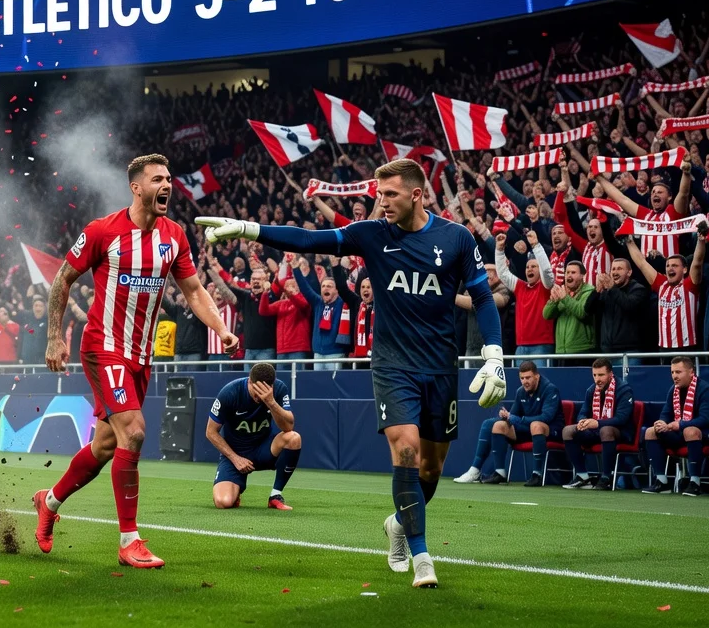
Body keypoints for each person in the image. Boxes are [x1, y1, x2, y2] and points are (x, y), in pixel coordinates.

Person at [198, 158, 507, 589]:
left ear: (417, 195)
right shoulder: (373, 234)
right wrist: (250, 228)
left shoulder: (455, 238)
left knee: (432, 471)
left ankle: (400, 525)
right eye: (379, 194)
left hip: (440, 367)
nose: (381, 202)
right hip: (392, 365)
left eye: (390, 194)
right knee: (406, 451)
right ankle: (421, 557)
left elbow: (483, 297)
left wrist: (494, 354)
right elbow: (309, 240)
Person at [34, 154, 238, 570]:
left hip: (141, 357)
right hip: (103, 346)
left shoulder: (174, 235)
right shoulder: (102, 231)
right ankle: (129, 540)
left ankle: (49, 501)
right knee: (136, 432)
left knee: (107, 444)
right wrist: (55, 337)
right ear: (137, 187)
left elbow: (195, 290)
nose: (167, 185)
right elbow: (62, 280)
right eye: (158, 179)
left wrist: (220, 328)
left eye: (169, 179)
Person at [206, 362, 301, 510]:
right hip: (236, 453)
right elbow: (210, 432)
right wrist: (235, 459)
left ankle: (275, 496)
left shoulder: (279, 389)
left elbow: (288, 427)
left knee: (294, 438)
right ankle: (235, 491)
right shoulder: (230, 392)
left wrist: (271, 402)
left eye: (265, 391)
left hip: (264, 449)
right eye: (256, 390)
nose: (259, 396)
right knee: (223, 502)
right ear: (249, 381)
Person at [455, 361, 562, 487]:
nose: (524, 381)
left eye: (528, 378)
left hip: (551, 430)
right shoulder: (520, 391)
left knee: (536, 425)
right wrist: (506, 416)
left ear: (537, 376)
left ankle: (537, 475)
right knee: (495, 425)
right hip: (528, 429)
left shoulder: (550, 389)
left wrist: (516, 418)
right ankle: (492, 472)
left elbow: (546, 417)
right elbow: (513, 416)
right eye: (522, 378)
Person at [624, 223, 708, 353]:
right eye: (668, 265)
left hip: (687, 348)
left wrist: (701, 240)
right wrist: (629, 240)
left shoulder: (690, 285)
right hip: (663, 348)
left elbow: (697, 263)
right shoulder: (661, 284)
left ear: (685, 269)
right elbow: (641, 263)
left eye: (675, 265)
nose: (670, 268)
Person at [643, 356, 709, 496]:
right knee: (650, 431)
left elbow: (704, 419)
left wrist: (679, 425)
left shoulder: (705, 390)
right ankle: (662, 481)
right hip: (678, 432)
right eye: (672, 372)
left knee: (690, 431)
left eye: (678, 372)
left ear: (691, 372)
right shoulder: (673, 389)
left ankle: (695, 482)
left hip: (706, 434)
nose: (674, 376)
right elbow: (666, 412)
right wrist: (661, 424)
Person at [561, 359, 635, 490]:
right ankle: (583, 476)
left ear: (610, 374)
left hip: (621, 432)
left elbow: (621, 419)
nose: (597, 379)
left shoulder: (624, 390)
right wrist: (582, 421)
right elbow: (583, 412)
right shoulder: (591, 390)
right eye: (594, 375)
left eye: (601, 375)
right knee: (567, 430)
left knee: (605, 430)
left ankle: (606, 477)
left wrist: (597, 423)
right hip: (596, 430)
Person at [494, 230, 554, 368]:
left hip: (542, 346)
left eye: (534, 266)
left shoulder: (546, 287)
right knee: (519, 387)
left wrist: (536, 246)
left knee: (541, 385)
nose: (529, 269)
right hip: (520, 347)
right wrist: (499, 250)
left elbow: (546, 271)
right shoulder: (520, 287)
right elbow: (503, 273)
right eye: (528, 267)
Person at [542, 261, 597, 360]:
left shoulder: (589, 292)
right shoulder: (562, 292)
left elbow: (581, 312)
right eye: (567, 273)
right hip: (561, 351)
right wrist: (554, 301)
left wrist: (565, 298)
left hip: (582, 350)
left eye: (573, 272)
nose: (569, 276)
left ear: (582, 276)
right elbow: (546, 315)